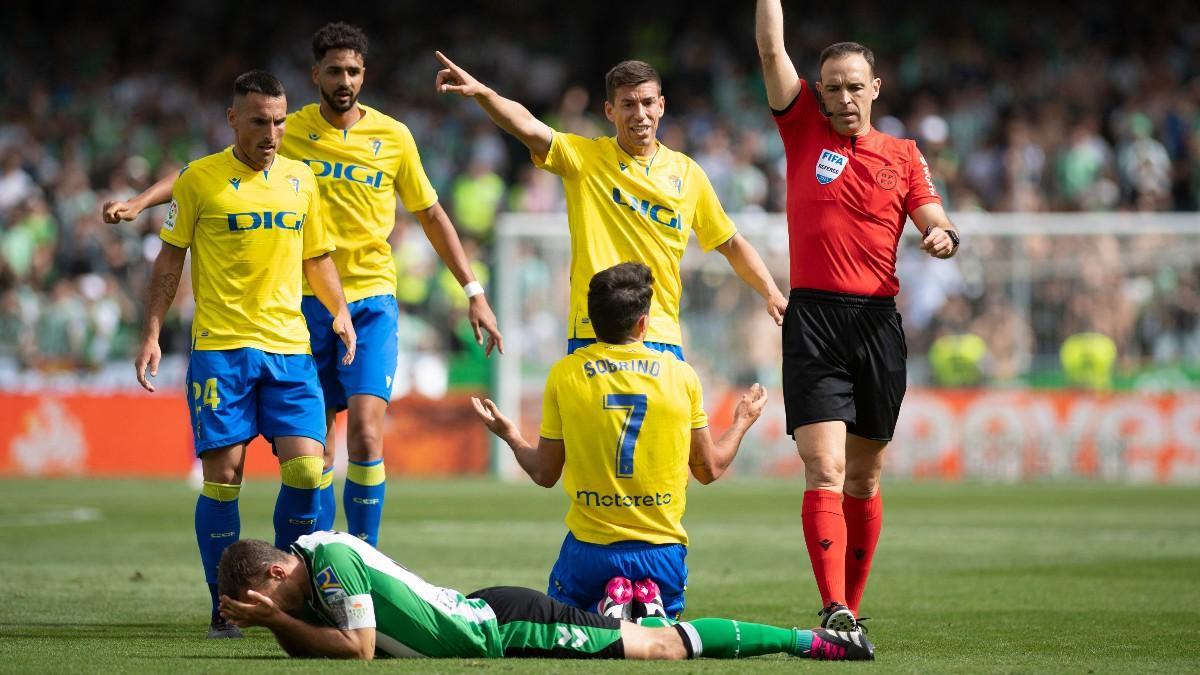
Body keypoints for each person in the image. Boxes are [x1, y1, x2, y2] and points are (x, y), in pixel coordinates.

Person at [104, 23, 503, 550]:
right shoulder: (284, 129)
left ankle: (364, 562)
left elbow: (431, 215)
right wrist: (139, 202)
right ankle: (307, 563)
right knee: (316, 458)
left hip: (370, 301)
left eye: (354, 71)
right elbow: (197, 175)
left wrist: (473, 290)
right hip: (302, 307)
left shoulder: (394, 137)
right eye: (335, 70)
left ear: (365, 75)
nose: (345, 80)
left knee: (365, 431)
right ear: (315, 74)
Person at [755, 0, 962, 633]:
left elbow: (935, 216)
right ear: (818, 93)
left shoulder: (902, 154)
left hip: (877, 325)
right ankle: (834, 607)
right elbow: (770, 50)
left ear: (875, 88)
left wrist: (942, 237)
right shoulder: (801, 130)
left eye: (854, 87)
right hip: (814, 320)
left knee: (864, 480)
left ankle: (854, 606)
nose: (844, 98)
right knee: (826, 468)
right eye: (833, 88)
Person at [135, 70, 356, 639]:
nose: (273, 133)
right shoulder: (199, 180)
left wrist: (340, 311)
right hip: (221, 351)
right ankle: (224, 604)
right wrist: (153, 332)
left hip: (290, 350)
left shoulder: (302, 180)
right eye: (260, 121)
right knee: (224, 478)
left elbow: (319, 257)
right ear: (233, 119)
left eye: (280, 121)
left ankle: (291, 595)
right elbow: (169, 261)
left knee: (310, 471)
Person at [435, 52, 787, 359]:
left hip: (658, 332)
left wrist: (771, 291)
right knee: (590, 438)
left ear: (661, 106)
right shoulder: (585, 159)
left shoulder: (688, 174)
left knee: (669, 437)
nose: (640, 114)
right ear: (609, 110)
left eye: (648, 103)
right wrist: (483, 93)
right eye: (628, 104)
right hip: (594, 331)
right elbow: (527, 125)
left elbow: (730, 243)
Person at [472, 262, 767, 620]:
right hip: (662, 551)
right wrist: (742, 421)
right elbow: (709, 469)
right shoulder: (680, 376)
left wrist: (511, 436)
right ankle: (645, 600)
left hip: (590, 553)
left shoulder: (565, 375)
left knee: (567, 627)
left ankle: (609, 603)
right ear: (644, 322)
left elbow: (544, 473)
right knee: (664, 637)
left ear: (592, 320)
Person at [216, 531, 874, 661]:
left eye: (273, 600)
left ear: (276, 575)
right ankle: (622, 605)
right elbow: (317, 648)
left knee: (662, 648)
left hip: (506, 626)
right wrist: (279, 621)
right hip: (488, 612)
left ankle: (819, 642)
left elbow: (355, 651)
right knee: (629, 632)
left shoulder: (328, 560)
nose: (286, 612)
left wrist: (277, 620)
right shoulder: (317, 574)